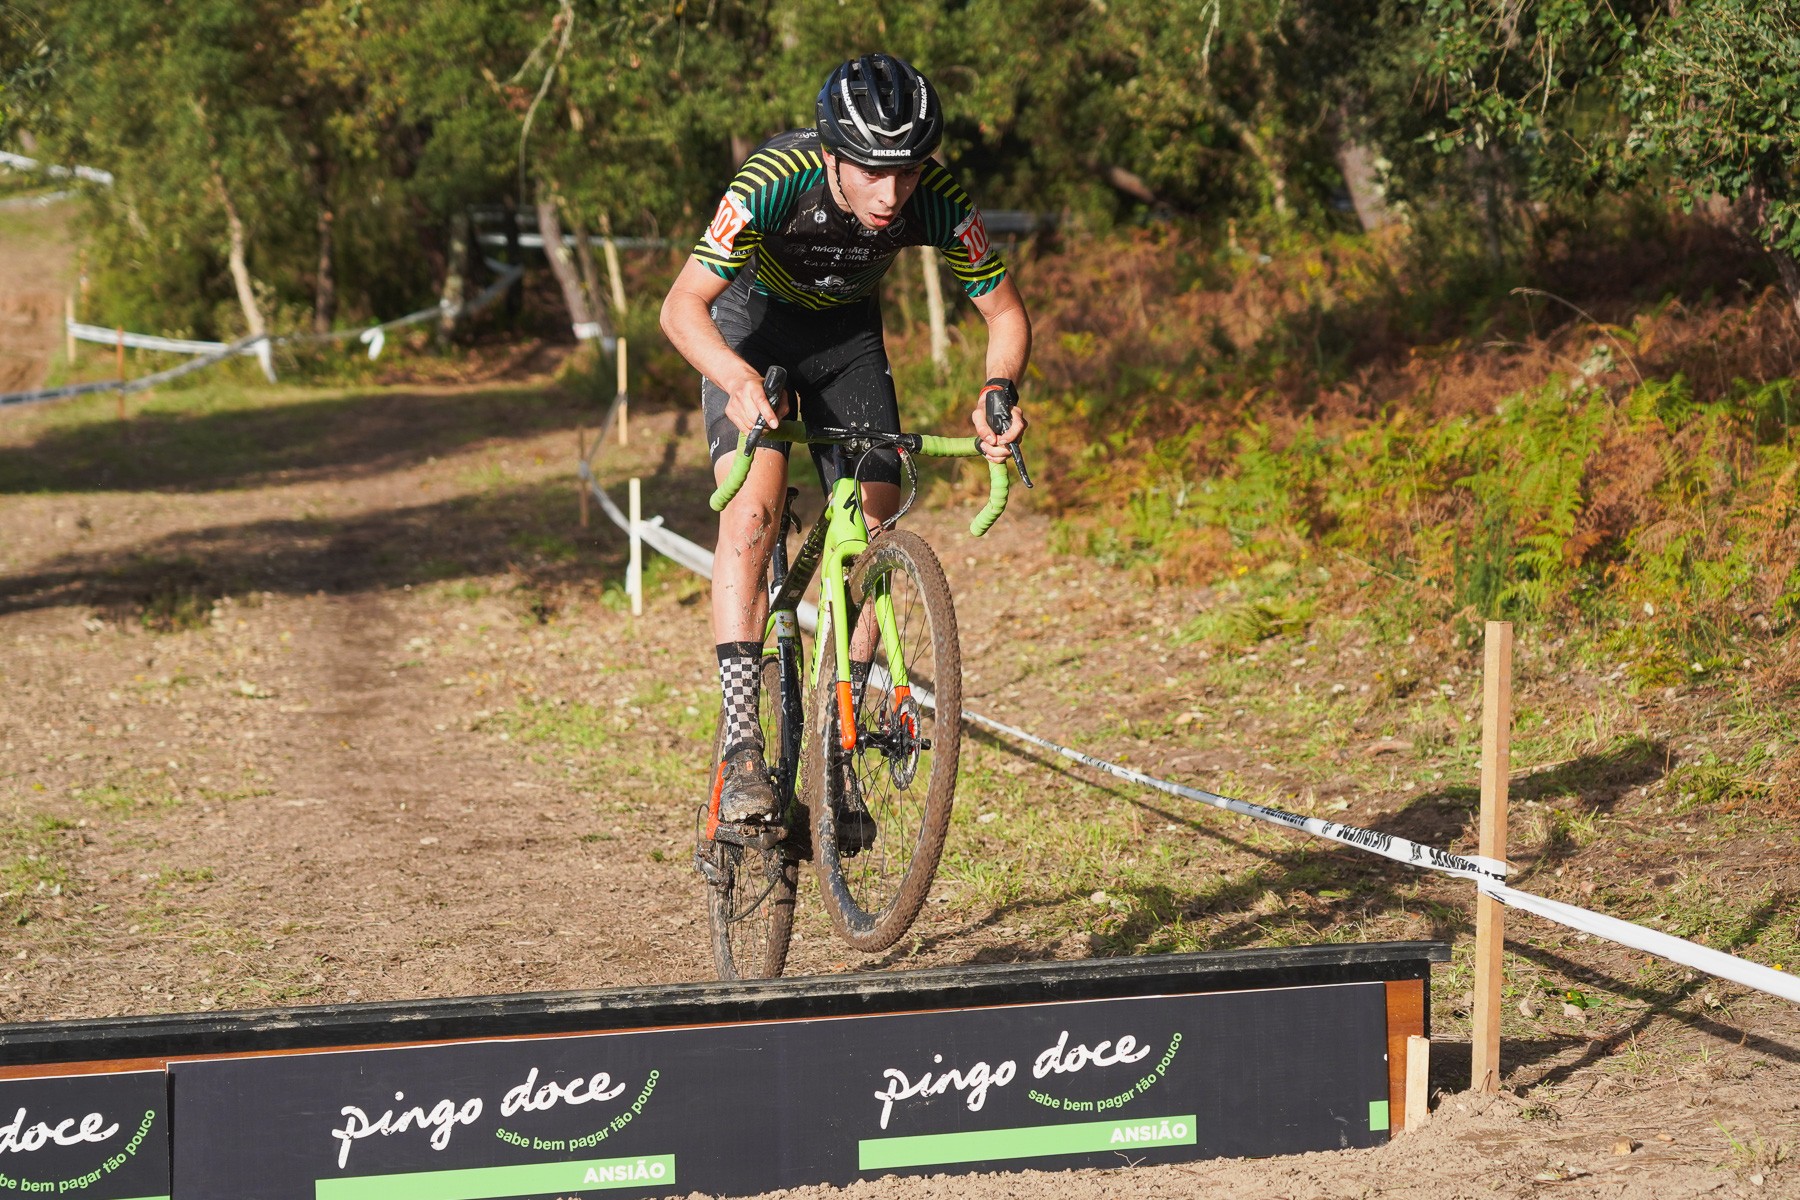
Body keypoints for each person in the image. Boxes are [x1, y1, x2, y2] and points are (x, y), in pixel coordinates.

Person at [660, 53, 1032, 826]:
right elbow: (682, 307)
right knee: (755, 513)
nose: (890, 194)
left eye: (907, 172)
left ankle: (842, 721)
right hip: (750, 328)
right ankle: (741, 750)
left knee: (878, 512)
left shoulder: (935, 200)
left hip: (846, 341)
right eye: (870, 172)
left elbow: (1004, 312)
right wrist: (735, 381)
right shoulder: (772, 179)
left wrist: (998, 391)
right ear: (831, 154)